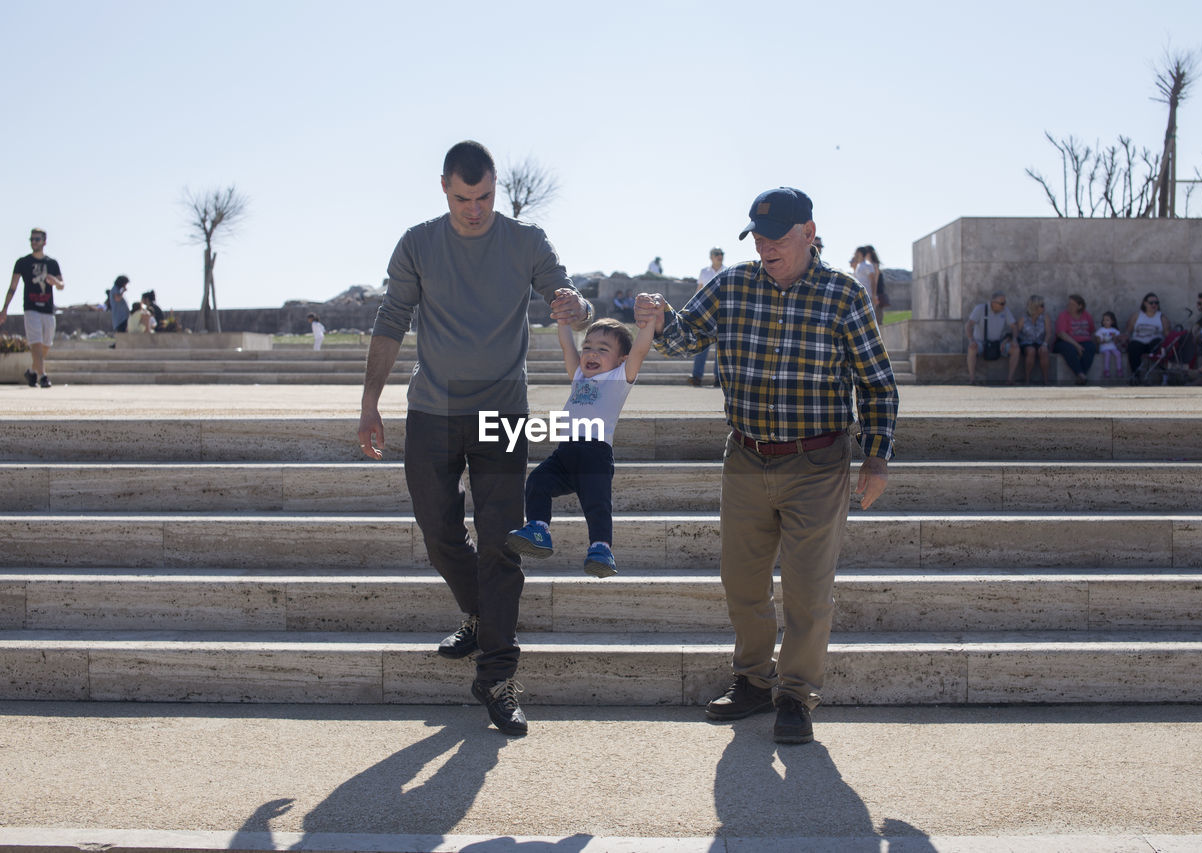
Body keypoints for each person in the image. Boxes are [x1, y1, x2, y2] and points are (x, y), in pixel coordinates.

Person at [633, 186, 898, 746]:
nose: (764, 246)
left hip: (818, 461)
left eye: (776, 237)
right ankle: (754, 680)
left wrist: (876, 457)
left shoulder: (843, 294)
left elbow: (876, 383)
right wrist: (656, 318)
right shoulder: (732, 286)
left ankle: (797, 696)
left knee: (807, 590)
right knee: (742, 581)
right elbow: (682, 339)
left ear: (809, 232)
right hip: (747, 455)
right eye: (756, 236)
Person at [356, 140, 592, 738]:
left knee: (502, 543)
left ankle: (498, 674)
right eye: (463, 198)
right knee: (439, 536)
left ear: (496, 188)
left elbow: (571, 299)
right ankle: (483, 617)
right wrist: (369, 403)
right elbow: (391, 320)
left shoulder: (526, 241)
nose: (474, 209)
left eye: (484, 196)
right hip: (432, 411)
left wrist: (574, 305)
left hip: (502, 412)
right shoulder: (418, 243)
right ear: (443, 188)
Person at [506, 317, 654, 578]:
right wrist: (562, 321)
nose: (591, 353)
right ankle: (538, 529)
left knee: (597, 504)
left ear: (621, 359)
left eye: (603, 349)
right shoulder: (578, 376)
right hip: (565, 454)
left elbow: (640, 350)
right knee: (537, 481)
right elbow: (567, 348)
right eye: (587, 347)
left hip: (595, 455)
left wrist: (648, 322)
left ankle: (601, 549)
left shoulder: (619, 378)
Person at [2, 228, 65, 388]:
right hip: (31, 308)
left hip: (48, 308)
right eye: (31, 239)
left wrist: (55, 282)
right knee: (35, 342)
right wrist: (4, 309)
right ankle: (43, 376)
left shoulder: (52, 263)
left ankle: (32, 372)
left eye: (37, 239)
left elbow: (62, 285)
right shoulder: (22, 262)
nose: (33, 242)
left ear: (44, 241)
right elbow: (13, 287)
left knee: (46, 344)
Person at [688, 247, 724, 387]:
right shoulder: (704, 272)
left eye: (721, 254)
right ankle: (697, 376)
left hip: (722, 313)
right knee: (701, 346)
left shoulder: (727, 270)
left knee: (720, 349)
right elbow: (698, 291)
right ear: (711, 257)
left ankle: (718, 379)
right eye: (717, 254)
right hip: (705, 314)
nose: (720, 256)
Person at [964, 291, 1017, 385]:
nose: (1004, 305)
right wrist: (971, 340)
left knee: (1015, 349)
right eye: (1002, 303)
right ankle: (972, 379)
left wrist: (1014, 340)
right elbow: (969, 325)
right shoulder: (980, 309)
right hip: (982, 343)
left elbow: (1014, 326)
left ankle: (1010, 379)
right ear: (993, 303)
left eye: (1005, 303)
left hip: (998, 343)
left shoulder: (1005, 310)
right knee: (972, 348)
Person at [1121, 292, 1171, 384]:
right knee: (1133, 346)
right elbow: (1128, 331)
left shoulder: (1161, 317)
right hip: (1139, 341)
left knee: (1158, 343)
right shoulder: (1137, 316)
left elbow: (1167, 334)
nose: (1154, 305)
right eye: (1151, 303)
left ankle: (1161, 375)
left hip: (1154, 342)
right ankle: (1135, 375)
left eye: (1156, 303)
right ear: (1145, 303)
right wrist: (1124, 338)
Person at [1052, 294, 1097, 384]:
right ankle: (1080, 374)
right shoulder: (1063, 316)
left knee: (1090, 347)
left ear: (1080, 306)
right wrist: (1077, 346)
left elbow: (1092, 331)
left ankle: (1082, 375)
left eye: (1072, 304)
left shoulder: (1086, 315)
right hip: (1065, 342)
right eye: (1068, 304)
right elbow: (1061, 334)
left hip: (1084, 341)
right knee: (1070, 349)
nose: (1069, 306)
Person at [1014, 294, 1051, 385]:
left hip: (1039, 342)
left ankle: (1046, 380)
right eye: (1042, 305)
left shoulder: (1045, 318)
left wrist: (1045, 344)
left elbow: (1049, 332)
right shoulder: (1023, 319)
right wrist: (1014, 341)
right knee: (1031, 351)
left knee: (1044, 351)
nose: (1044, 308)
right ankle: (1027, 379)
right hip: (1026, 342)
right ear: (1035, 307)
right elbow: (1016, 332)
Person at [1095, 311, 1122, 380]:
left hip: (1112, 347)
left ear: (1112, 322)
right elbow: (1098, 340)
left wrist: (1114, 338)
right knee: (1107, 354)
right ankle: (1106, 370)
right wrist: (1103, 341)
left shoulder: (1115, 331)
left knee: (1118, 354)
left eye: (1107, 320)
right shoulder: (1101, 330)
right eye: (1104, 320)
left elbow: (1117, 341)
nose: (1105, 321)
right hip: (1104, 348)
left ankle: (1119, 369)